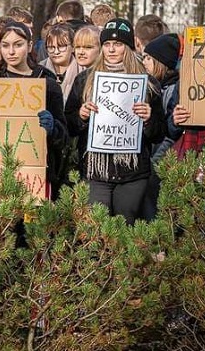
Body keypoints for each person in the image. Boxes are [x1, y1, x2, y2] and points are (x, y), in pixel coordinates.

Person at [65, 18, 165, 224]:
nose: (111, 49)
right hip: (96, 171)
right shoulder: (85, 80)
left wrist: (148, 120)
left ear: (128, 48)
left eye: (118, 44)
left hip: (132, 173)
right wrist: (81, 116)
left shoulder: (148, 84)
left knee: (124, 228)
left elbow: (159, 133)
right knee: (97, 229)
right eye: (107, 44)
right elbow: (68, 125)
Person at [0, 21, 68, 199]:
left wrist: (53, 128)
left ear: (29, 45)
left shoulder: (47, 84)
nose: (11, 52)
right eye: (5, 45)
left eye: (18, 45)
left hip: (34, 178)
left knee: (30, 226)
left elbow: (63, 139)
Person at [139, 33, 180, 221]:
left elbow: (169, 133)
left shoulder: (172, 89)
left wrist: (154, 161)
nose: (144, 62)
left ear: (161, 62)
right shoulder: (155, 85)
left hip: (164, 154)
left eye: (148, 58)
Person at [40, 23, 83, 102]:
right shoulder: (39, 71)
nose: (56, 52)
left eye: (61, 46)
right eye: (51, 47)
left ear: (73, 47)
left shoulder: (83, 71)